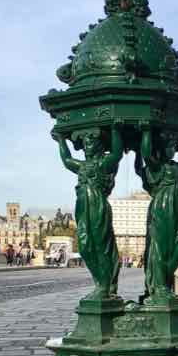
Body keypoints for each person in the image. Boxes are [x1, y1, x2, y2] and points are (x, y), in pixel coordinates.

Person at [54, 124, 124, 298]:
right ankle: (100, 282)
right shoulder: (83, 166)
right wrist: (61, 141)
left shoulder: (104, 163)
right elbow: (67, 160)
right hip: (83, 207)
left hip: (97, 205)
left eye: (90, 142)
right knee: (85, 246)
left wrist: (115, 128)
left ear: (99, 146)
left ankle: (105, 286)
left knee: (101, 246)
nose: (86, 146)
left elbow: (116, 153)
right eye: (84, 143)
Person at [134, 125, 178, 296]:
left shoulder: (176, 167)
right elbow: (147, 155)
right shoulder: (158, 167)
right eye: (169, 146)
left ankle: (166, 281)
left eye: (173, 147)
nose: (172, 150)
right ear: (162, 149)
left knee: (177, 248)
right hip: (163, 208)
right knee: (160, 246)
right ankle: (160, 285)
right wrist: (147, 131)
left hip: (177, 210)